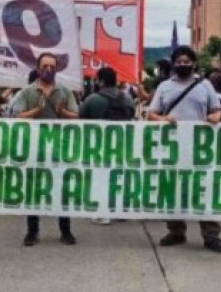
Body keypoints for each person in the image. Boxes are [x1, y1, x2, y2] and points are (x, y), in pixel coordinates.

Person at [148, 45, 221, 253]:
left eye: (186, 61)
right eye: (179, 61)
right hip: (173, 149)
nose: (183, 65)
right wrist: (164, 119)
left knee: (204, 190)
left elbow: (217, 110)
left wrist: (215, 117)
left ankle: (211, 235)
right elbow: (151, 114)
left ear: (194, 63)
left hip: (201, 148)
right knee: (173, 190)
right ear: (174, 64)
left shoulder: (205, 85)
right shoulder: (165, 87)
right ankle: (176, 231)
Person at [11, 53, 79, 246]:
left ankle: (65, 230)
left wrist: (62, 112)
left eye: (52, 66)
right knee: (33, 189)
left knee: (61, 189)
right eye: (45, 66)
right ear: (38, 68)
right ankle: (32, 232)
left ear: (56, 69)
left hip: (58, 148)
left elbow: (75, 116)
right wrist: (36, 112)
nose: (48, 69)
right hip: (34, 149)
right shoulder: (27, 92)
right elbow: (17, 116)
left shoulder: (65, 91)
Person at [80, 66, 134, 225]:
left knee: (100, 177)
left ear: (101, 81)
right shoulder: (127, 98)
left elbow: (81, 119)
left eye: (96, 79)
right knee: (119, 176)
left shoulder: (92, 99)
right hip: (122, 144)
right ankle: (121, 210)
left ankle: (102, 213)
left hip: (99, 145)